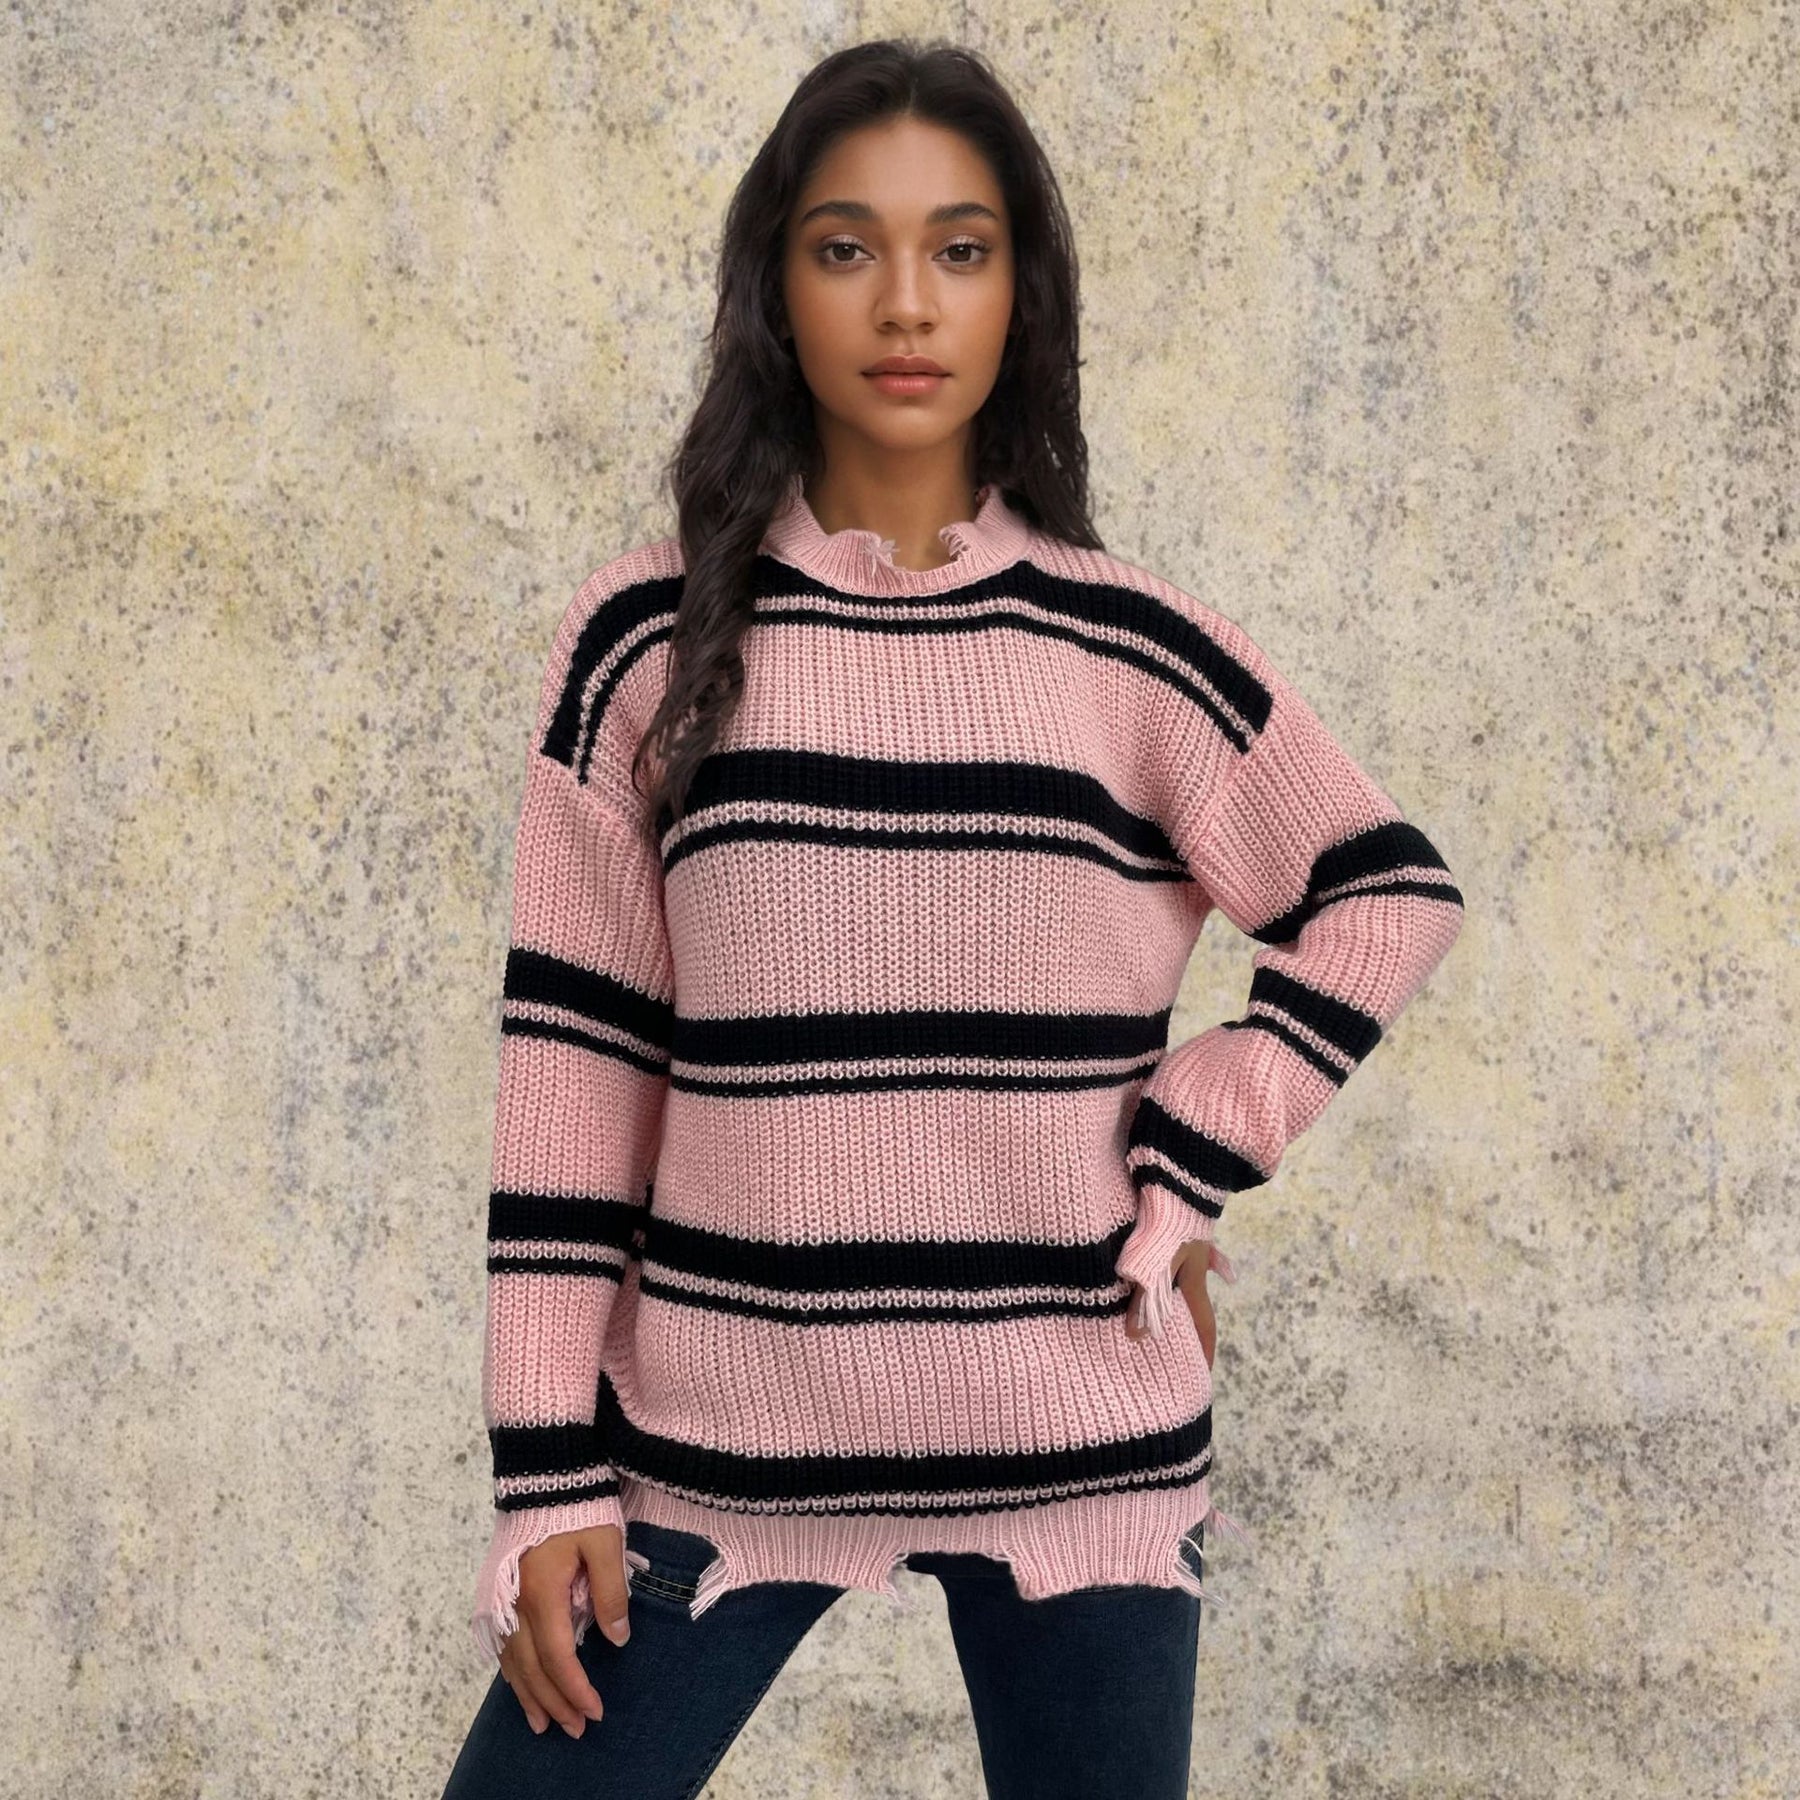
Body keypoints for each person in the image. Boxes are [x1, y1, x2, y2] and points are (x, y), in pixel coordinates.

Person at [442, 37, 1465, 1800]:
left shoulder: (1131, 652)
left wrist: (1189, 1149)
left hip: (1084, 1450)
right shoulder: (644, 649)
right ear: (775, 288)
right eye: (846, 247)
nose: (905, 302)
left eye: (961, 249)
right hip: (712, 1447)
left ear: (1021, 292)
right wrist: (546, 1473)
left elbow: (1384, 891)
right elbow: (574, 1087)